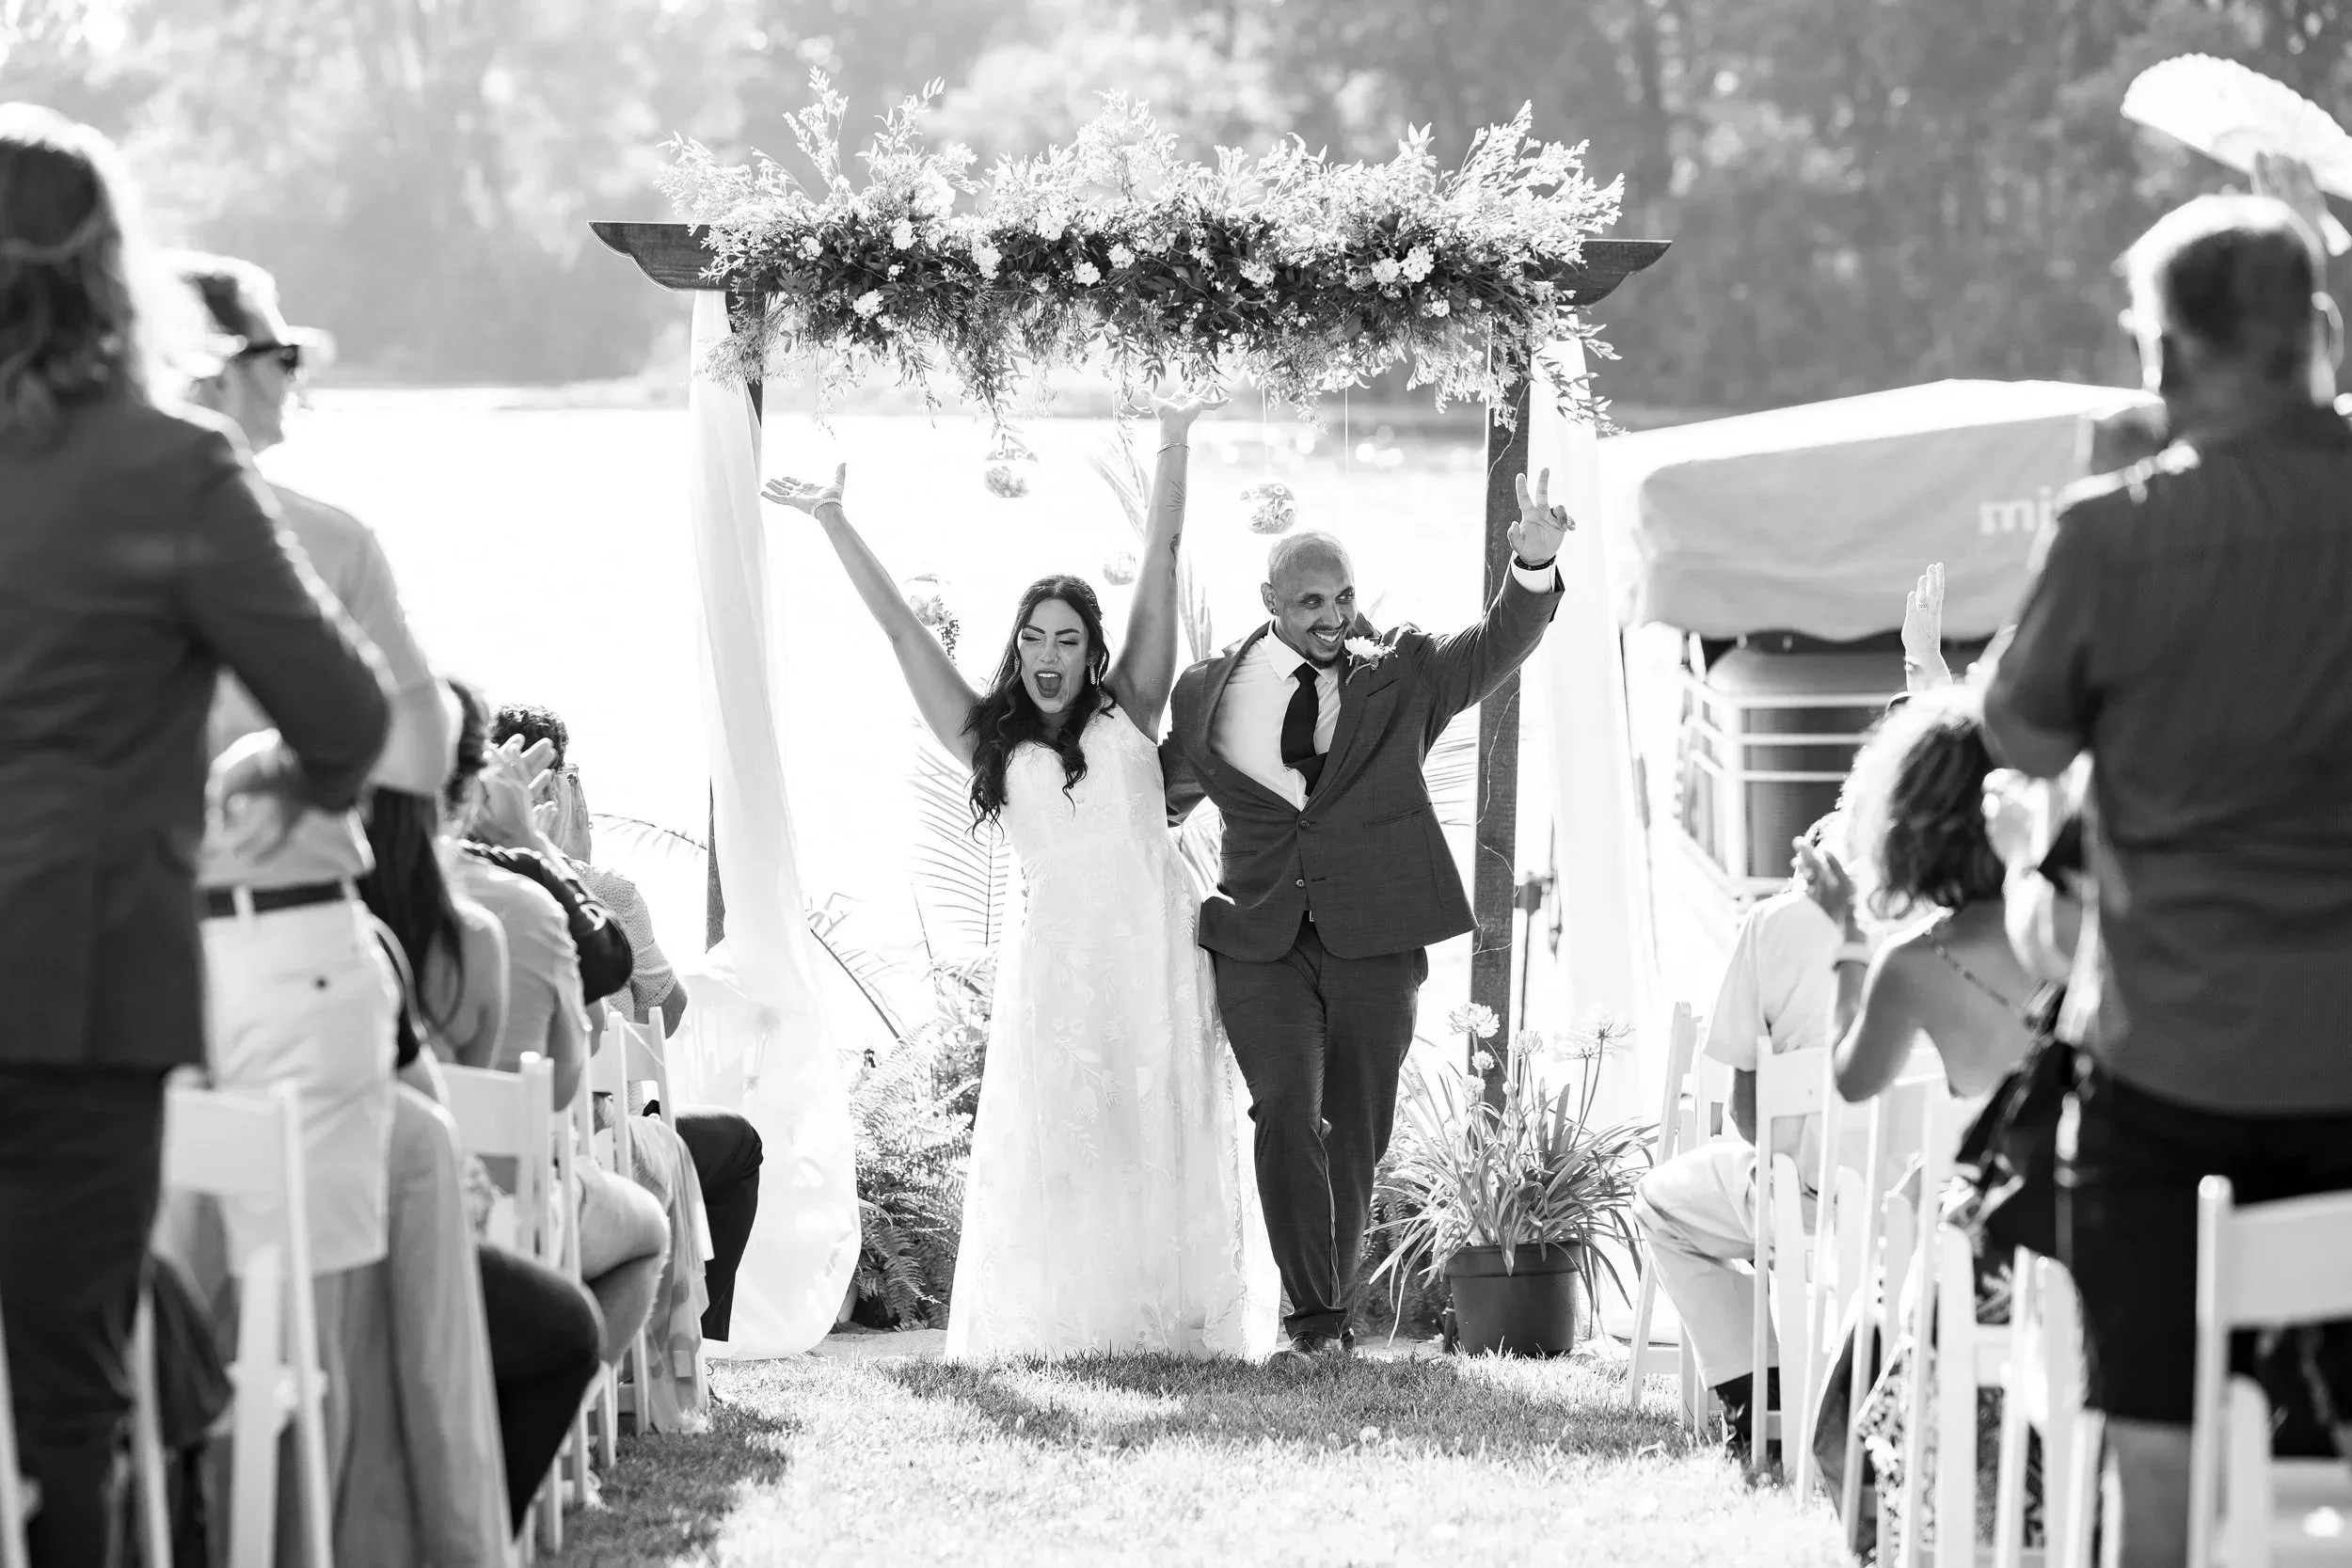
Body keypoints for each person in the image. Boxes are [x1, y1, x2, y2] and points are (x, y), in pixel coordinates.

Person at [0, 105, 389, 1567]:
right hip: (80, 990)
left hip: (76, 986)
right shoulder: (170, 466)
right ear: (112, 269)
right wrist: (275, 767)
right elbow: (348, 716)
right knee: (67, 1402)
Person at [1980, 190, 2352, 1568]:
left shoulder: (2115, 533)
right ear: (2318, 331)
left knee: (2157, 1468)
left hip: (2169, 1064)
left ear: (2162, 354)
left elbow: (2019, 737)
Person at [764, 393, 1276, 1360]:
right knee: (1070, 1143)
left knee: (1159, 1127)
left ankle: (1170, 1322)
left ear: (1093, 653)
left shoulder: (1132, 707)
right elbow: (902, 635)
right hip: (1059, 965)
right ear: (1017, 646)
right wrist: (833, 519)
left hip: (1159, 947)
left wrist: (1174, 437)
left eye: (1067, 639)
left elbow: (1161, 559)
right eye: (1035, 637)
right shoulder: (985, 738)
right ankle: (1074, 1322)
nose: (1049, 655)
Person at [1159, 472, 1569, 1358]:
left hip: (1376, 940)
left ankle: (1325, 1315)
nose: (1333, 615)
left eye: (1343, 596)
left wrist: (1532, 566)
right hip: (1260, 938)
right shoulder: (1207, 692)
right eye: (1311, 601)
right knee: (1283, 1110)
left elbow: (1494, 645)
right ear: (1269, 599)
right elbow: (1163, 795)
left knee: (1355, 1134)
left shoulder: (1402, 673)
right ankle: (1316, 1322)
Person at [1795, 691, 2040, 1556]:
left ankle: (1901, 1528)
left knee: (1860, 1358)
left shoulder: (1912, 963)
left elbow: (1852, 1077)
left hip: (1980, 1255)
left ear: (1907, 829)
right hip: (2067, 1228)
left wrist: (1848, 940)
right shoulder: (2072, 925)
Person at [488, 699, 764, 1342]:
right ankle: (690, 1346)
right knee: (740, 1145)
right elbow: (667, 1014)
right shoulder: (602, 892)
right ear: (561, 788)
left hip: (491, 1152)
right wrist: (577, 860)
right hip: (598, 1149)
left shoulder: (454, 885)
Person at [1630, 815, 1841, 1458]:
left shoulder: (1779, 922)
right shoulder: (1972, 917)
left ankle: (1760, 1401)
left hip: (1805, 1199)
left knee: (1659, 1203)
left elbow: (1748, 1116)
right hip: (1925, 1206)